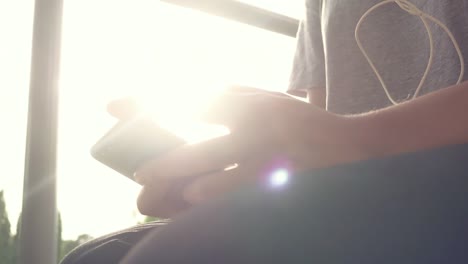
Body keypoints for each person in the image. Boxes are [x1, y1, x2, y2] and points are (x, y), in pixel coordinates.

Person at [62, 0, 468, 263]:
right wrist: (251, 185)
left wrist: (365, 140)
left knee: (170, 256)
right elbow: (326, 122)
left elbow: (345, 136)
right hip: (369, 202)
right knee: (97, 259)